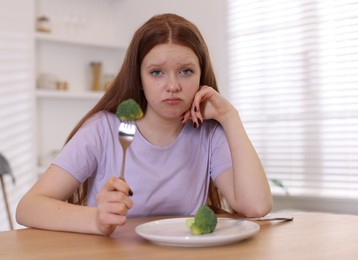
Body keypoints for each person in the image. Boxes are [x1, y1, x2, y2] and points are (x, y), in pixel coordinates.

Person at [16, 13, 272, 236]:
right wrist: (96, 219)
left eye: (186, 71)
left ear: (201, 76)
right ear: (138, 77)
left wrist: (229, 116)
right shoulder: (103, 129)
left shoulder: (209, 134)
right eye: (157, 72)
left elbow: (256, 207)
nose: (173, 86)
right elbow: (29, 207)